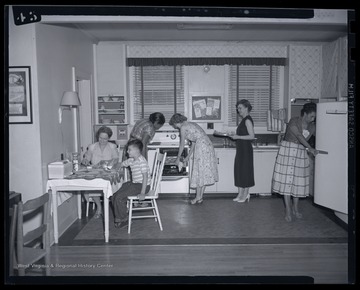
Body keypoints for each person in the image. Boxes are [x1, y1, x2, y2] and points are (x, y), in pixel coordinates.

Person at [272, 102, 318, 222]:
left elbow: (320, 136)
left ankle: (295, 208)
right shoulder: (293, 121)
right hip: (287, 152)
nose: (313, 119)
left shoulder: (312, 126)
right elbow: (298, 135)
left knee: (298, 183)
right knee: (286, 182)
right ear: (305, 114)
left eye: (314, 117)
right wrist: (310, 148)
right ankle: (288, 209)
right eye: (311, 116)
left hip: (300, 153)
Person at [169, 113, 218, 205]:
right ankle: (200, 197)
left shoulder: (183, 127)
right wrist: (188, 156)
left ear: (176, 122)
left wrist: (178, 158)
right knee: (203, 172)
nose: (175, 127)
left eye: (174, 125)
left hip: (202, 147)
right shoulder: (191, 124)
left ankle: (197, 197)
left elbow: (182, 144)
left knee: (199, 171)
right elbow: (194, 142)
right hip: (207, 145)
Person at [111, 139, 151, 228]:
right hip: (135, 184)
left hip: (142, 186)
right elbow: (121, 164)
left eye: (129, 150)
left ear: (137, 151)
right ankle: (122, 212)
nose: (127, 151)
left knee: (119, 198)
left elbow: (145, 177)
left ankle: (123, 219)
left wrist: (143, 193)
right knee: (114, 196)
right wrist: (112, 166)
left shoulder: (142, 161)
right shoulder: (131, 160)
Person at [81, 126, 119, 218]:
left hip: (108, 172)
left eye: (105, 139)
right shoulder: (92, 147)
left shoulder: (112, 147)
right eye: (100, 138)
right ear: (98, 136)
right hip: (96, 172)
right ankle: (99, 208)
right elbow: (87, 158)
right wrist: (85, 160)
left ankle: (115, 208)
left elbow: (116, 160)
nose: (102, 140)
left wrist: (107, 164)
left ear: (109, 138)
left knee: (112, 185)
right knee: (90, 184)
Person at [230, 99, 255, 203]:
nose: (238, 110)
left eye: (240, 108)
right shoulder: (243, 120)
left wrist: (238, 137)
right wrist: (234, 136)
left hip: (246, 150)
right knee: (239, 171)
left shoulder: (248, 120)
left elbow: (252, 136)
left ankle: (245, 194)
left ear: (246, 108)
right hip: (241, 149)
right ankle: (240, 194)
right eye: (237, 108)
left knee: (245, 171)